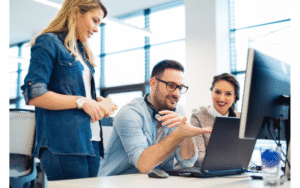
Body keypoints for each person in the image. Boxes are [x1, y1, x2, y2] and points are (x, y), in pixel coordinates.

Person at [21, 0, 117, 180]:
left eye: (100, 23)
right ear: (75, 13)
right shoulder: (48, 42)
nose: (97, 29)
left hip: (92, 142)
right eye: (94, 20)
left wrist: (96, 101)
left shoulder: (82, 52)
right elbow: (34, 94)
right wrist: (82, 101)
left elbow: (74, 92)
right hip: (64, 144)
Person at [98, 60, 212, 176]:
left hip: (154, 181)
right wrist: (179, 135)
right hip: (116, 182)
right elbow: (143, 164)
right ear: (153, 83)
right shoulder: (129, 114)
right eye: (171, 86)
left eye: (180, 88)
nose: (177, 94)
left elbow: (187, 163)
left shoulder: (178, 111)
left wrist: (186, 134)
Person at [191, 73, 240, 166]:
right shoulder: (197, 117)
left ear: (234, 97)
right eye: (217, 92)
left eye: (228, 94)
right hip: (208, 173)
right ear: (211, 92)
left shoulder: (240, 118)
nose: (221, 98)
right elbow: (200, 158)